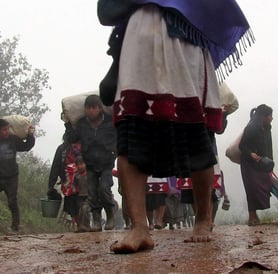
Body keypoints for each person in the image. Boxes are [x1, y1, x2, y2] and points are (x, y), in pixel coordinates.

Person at [97, 0, 253, 253]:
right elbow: (106, 9)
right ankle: (139, 227)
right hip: (138, 44)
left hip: (184, 44)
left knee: (195, 135)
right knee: (131, 133)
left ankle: (203, 218)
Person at [65, 95, 117, 231]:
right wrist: (68, 124)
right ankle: (97, 221)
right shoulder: (82, 124)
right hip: (90, 164)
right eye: (88, 108)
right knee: (92, 193)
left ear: (100, 108)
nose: (90, 111)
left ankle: (110, 215)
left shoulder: (110, 122)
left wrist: (114, 152)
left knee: (104, 189)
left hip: (106, 163)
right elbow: (71, 138)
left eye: (94, 108)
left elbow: (119, 136)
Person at [239, 104, 274, 226]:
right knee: (252, 189)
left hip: (262, 163)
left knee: (263, 188)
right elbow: (242, 145)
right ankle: (252, 217)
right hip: (249, 164)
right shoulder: (251, 128)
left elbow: (269, 147)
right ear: (264, 116)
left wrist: (270, 163)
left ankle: (255, 216)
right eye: (270, 116)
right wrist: (251, 154)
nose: (271, 118)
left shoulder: (267, 128)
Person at [47, 133, 81, 228]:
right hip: (68, 184)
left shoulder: (83, 147)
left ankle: (81, 224)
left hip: (82, 183)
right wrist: (51, 185)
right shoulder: (62, 149)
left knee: (81, 203)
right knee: (71, 205)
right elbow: (56, 166)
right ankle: (78, 224)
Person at [73, 156, 91, 232]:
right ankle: (80, 226)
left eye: (82, 164)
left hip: (88, 195)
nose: (80, 166)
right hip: (79, 196)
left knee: (85, 209)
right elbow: (74, 185)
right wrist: (74, 189)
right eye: (78, 165)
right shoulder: (76, 176)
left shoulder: (89, 174)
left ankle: (85, 226)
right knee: (80, 211)